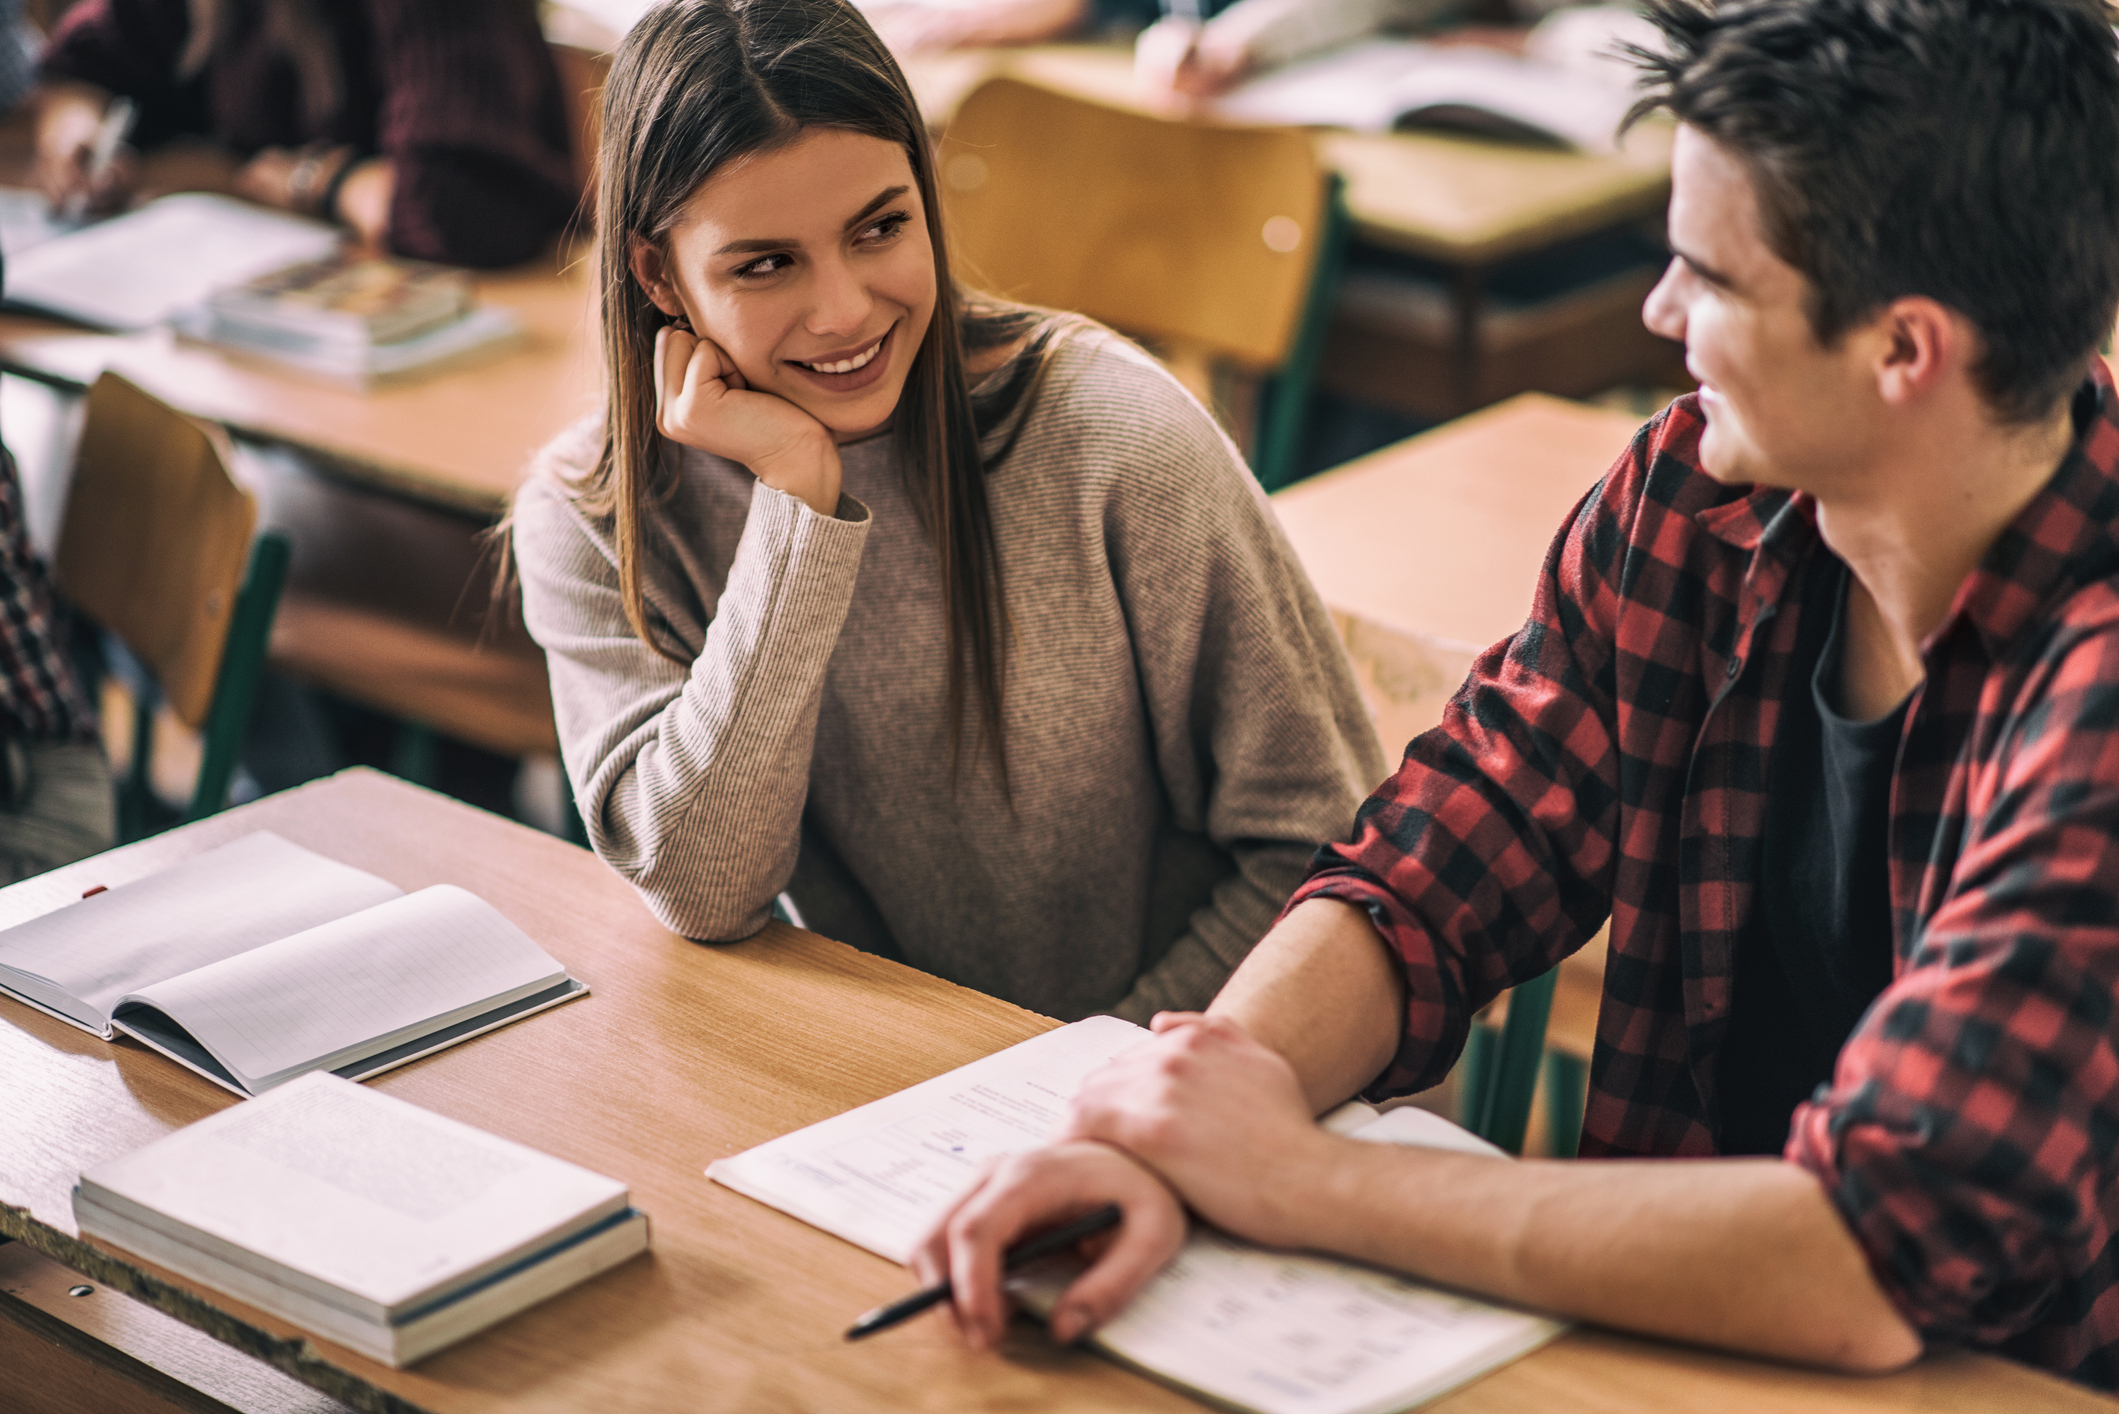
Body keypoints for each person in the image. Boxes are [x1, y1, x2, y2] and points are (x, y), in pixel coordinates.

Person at [919, 0, 2119, 1388]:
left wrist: (1288, 1178)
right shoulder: (1694, 496)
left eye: (1704, 277)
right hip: (1649, 1335)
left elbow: (1854, 1256)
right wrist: (1177, 1122)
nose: (1657, 314)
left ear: (1900, 351)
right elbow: (1447, 853)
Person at [510, 0, 1383, 1023]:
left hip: (1176, 1075)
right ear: (658, 274)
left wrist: (1079, 1082)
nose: (842, 310)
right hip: (861, 1096)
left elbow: (1326, 851)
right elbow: (701, 888)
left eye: (879, 228)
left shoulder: (1115, 442)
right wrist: (797, 504)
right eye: (765, 264)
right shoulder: (592, 514)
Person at [33, 0, 578, 269]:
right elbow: (94, 57)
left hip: (488, 332)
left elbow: (457, 208)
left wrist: (318, 180)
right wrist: (75, 122)